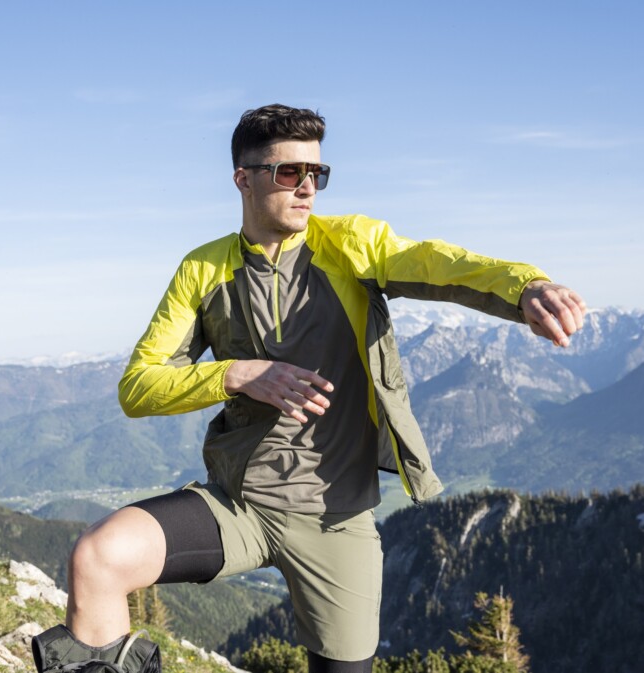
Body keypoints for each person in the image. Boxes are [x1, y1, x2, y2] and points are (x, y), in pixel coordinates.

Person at [32, 104, 586, 673]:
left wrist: (526, 286)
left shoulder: (351, 245)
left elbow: (442, 264)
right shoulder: (203, 269)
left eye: (316, 174)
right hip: (238, 504)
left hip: (334, 518)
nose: (307, 189)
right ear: (242, 179)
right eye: (289, 173)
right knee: (97, 558)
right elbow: (138, 387)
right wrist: (237, 373)